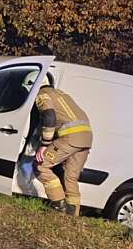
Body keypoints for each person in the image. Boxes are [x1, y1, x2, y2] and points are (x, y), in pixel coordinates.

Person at [26, 71, 93, 215]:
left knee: (41, 166)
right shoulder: (62, 94)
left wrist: (44, 145)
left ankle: (59, 205)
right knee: (70, 177)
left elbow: (49, 117)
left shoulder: (42, 95)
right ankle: (72, 215)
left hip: (70, 137)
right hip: (86, 138)